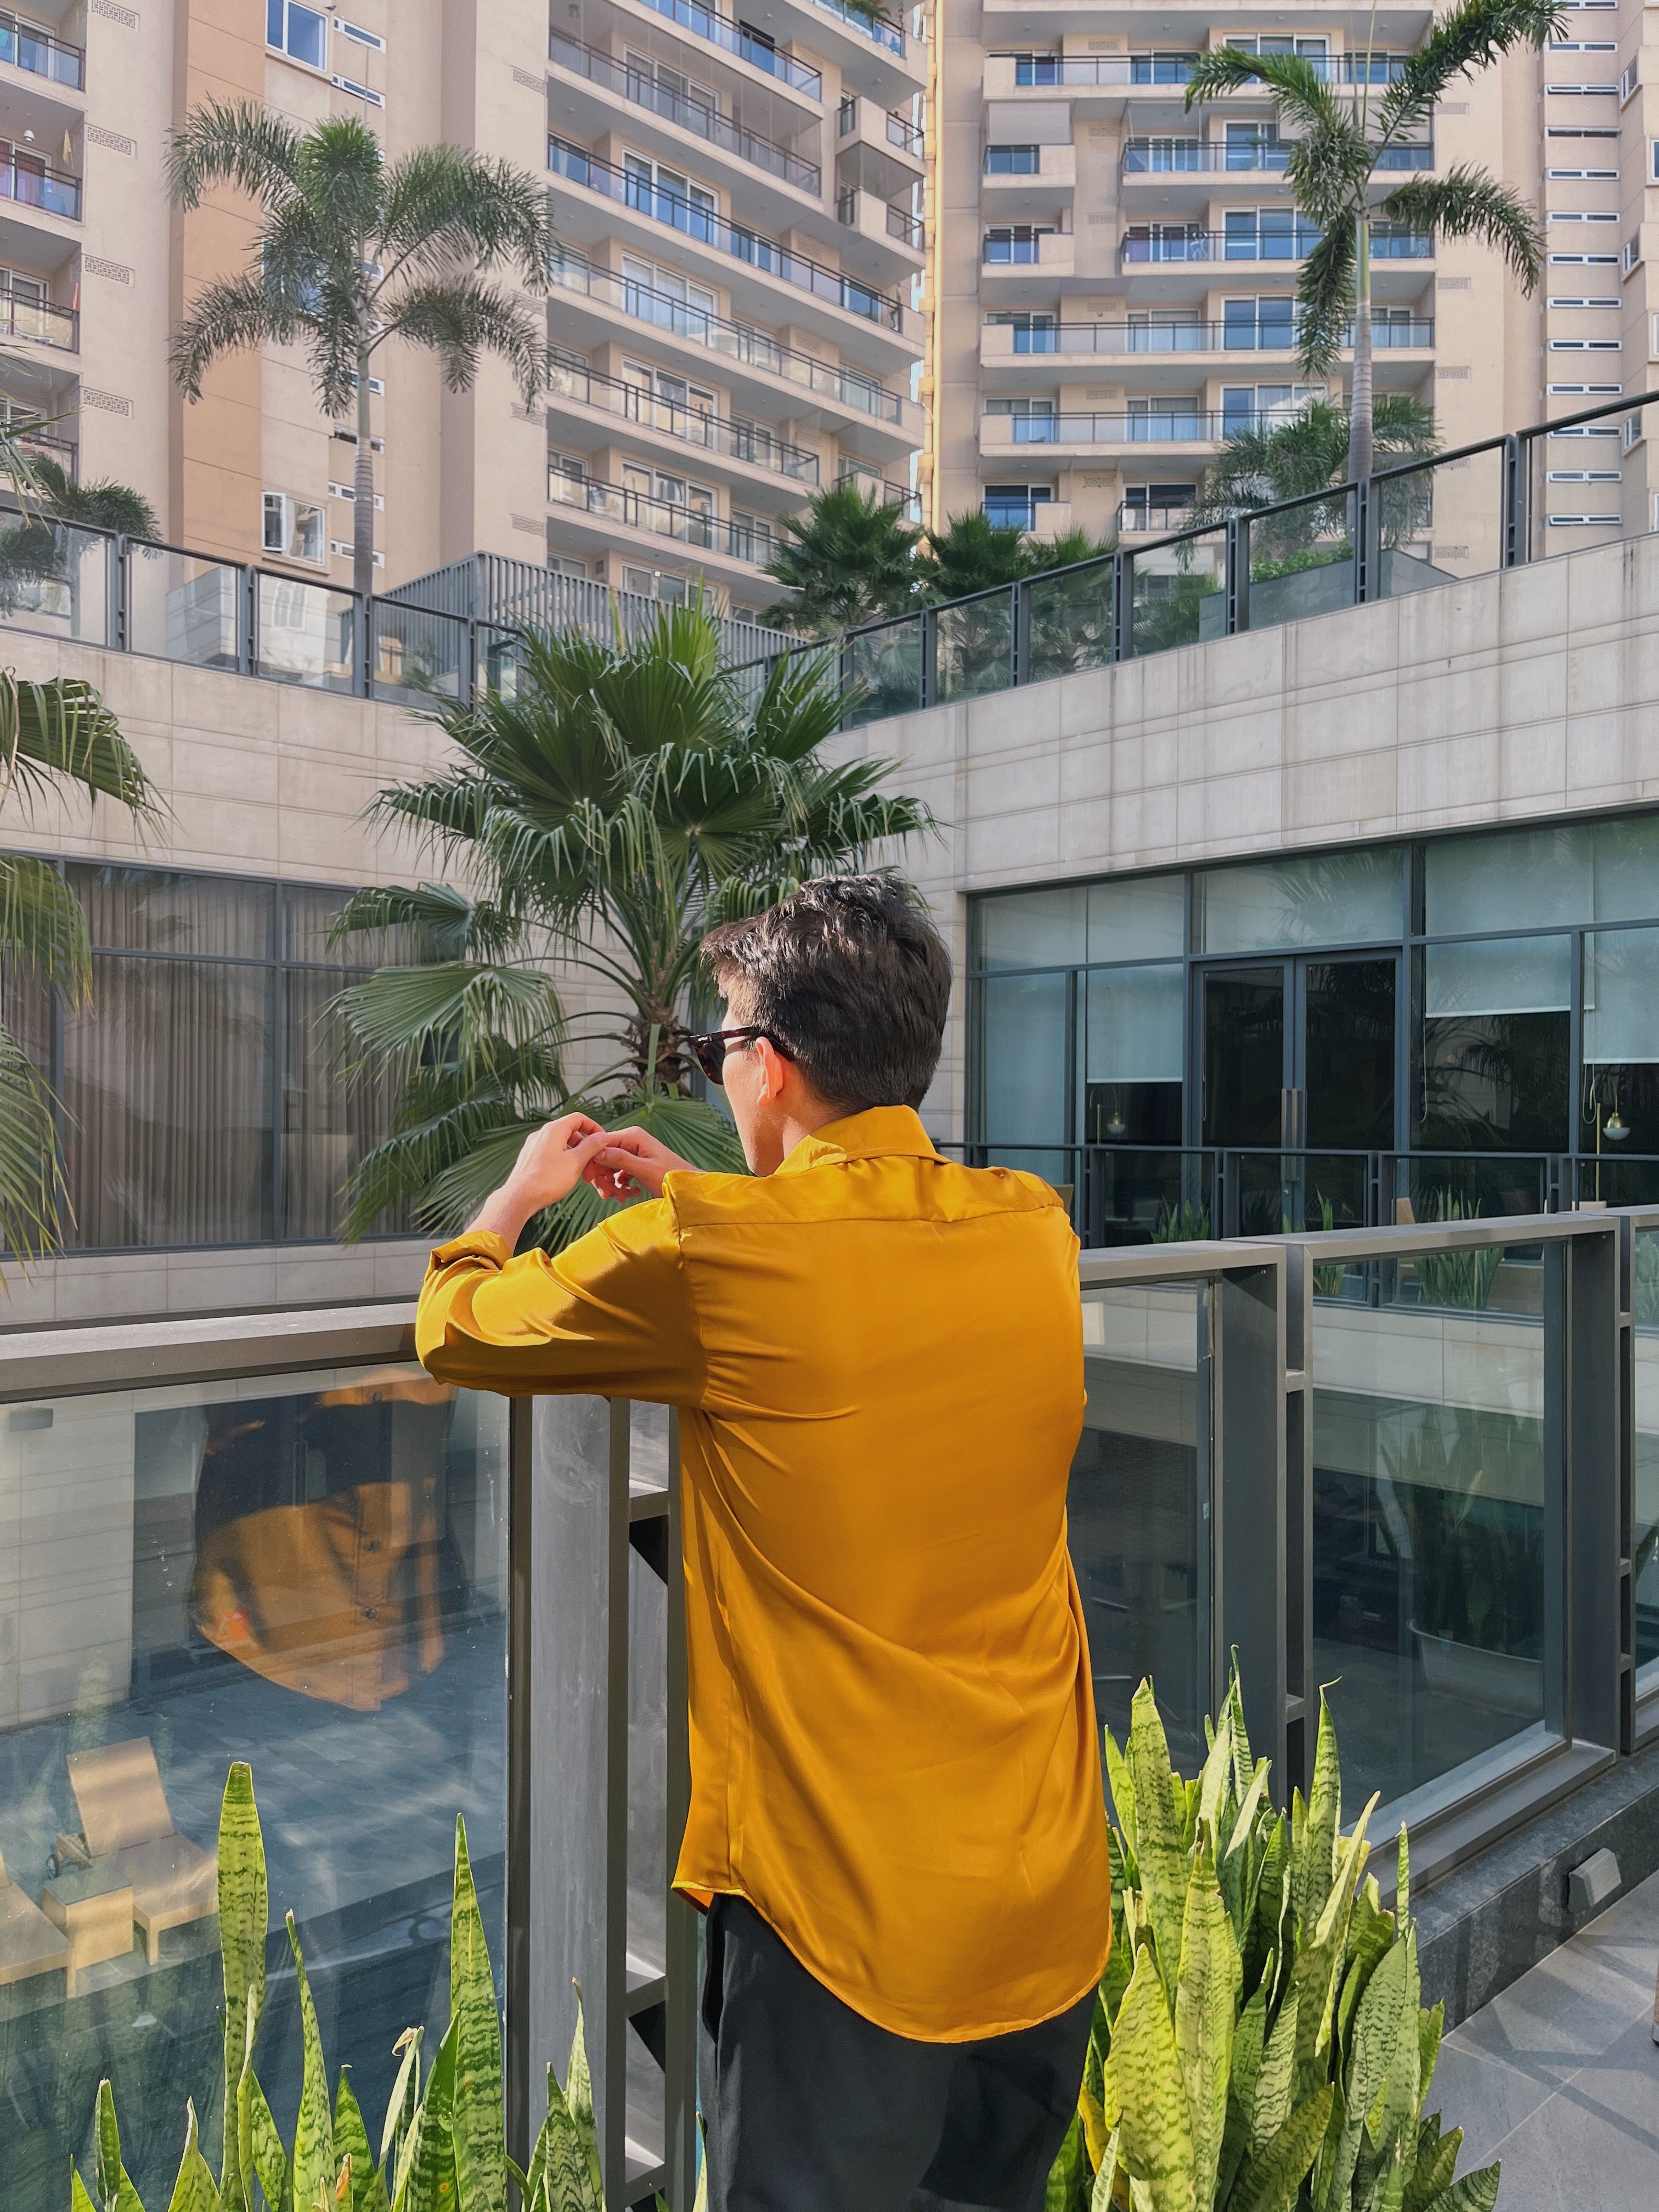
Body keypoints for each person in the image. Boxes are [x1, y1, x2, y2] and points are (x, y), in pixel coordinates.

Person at [416, 874, 1110, 2212]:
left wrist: (508, 1201)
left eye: (717, 1044)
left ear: (772, 1066)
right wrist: (732, 1199)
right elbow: (850, 1287)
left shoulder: (714, 1252)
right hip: (1040, 1890)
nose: (716, 1071)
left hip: (849, 1922)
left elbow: (464, 1332)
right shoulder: (1034, 1228)